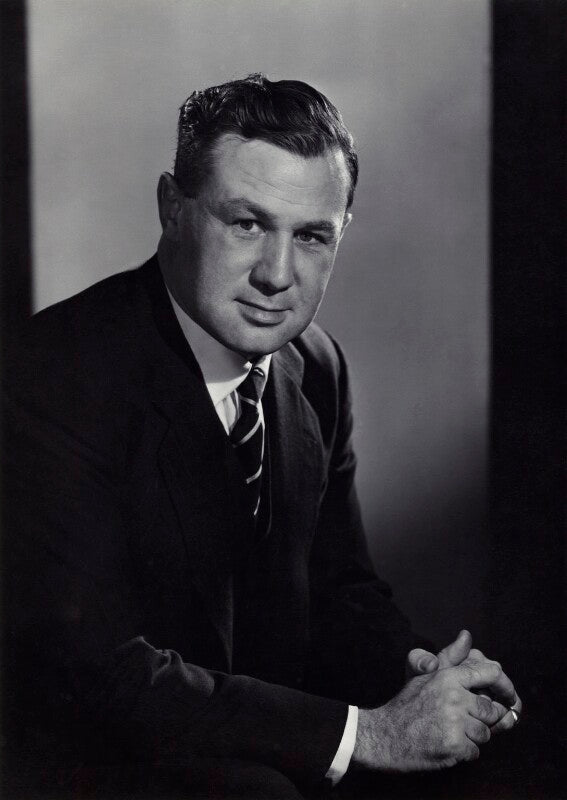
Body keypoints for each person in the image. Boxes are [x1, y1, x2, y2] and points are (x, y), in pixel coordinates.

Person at [2, 74, 521, 800]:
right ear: (172, 209)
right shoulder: (51, 374)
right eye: (246, 224)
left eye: (311, 236)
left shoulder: (316, 366)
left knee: (493, 761)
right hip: (87, 755)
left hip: (249, 740)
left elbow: (338, 591)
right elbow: (101, 674)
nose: (277, 276)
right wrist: (368, 735)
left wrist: (428, 679)